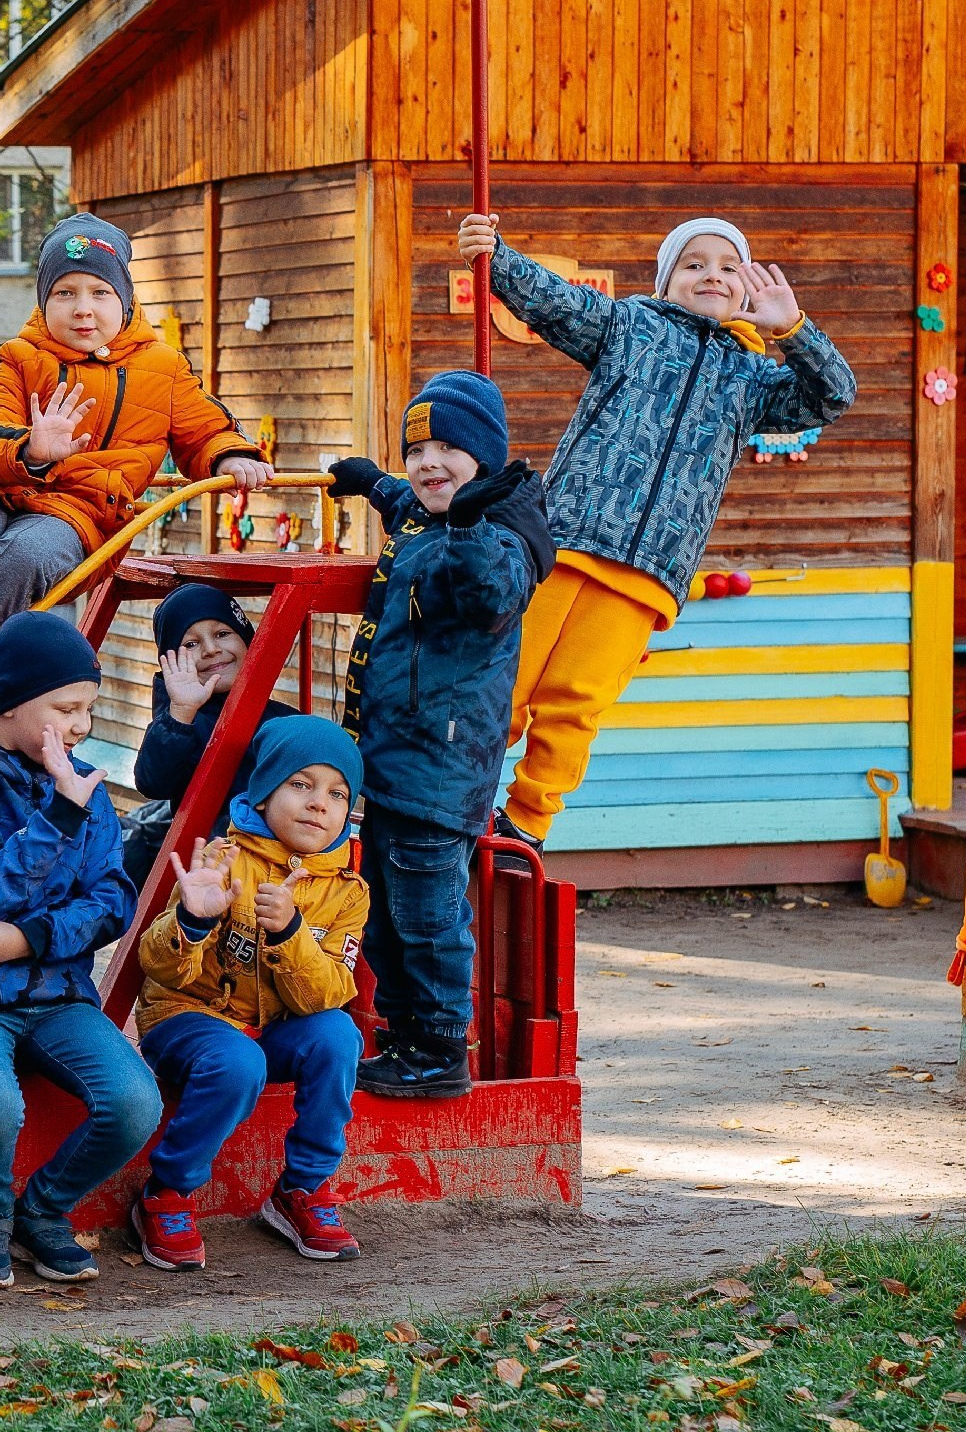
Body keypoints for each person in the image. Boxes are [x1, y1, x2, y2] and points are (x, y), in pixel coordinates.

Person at [458, 213, 856, 847]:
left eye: (730, 268)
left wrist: (796, 331)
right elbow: (549, 299)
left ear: (750, 291)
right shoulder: (628, 326)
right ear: (667, 278)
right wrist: (495, 254)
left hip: (647, 574)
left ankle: (526, 824)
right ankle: (454, 796)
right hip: (563, 546)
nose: (712, 276)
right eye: (694, 263)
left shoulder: (752, 380)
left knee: (576, 704)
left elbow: (832, 396)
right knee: (500, 682)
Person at [0, 214, 273, 690]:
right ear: (44, 303)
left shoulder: (162, 367)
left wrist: (230, 455)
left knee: (24, 555)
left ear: (124, 300)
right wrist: (32, 448)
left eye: (99, 293)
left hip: (78, 512)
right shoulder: (20, 356)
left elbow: (205, 426)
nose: (83, 309)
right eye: (65, 293)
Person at [0, 612, 163, 1289]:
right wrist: (58, 818)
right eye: (66, 708)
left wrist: (32, 938)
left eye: (89, 708)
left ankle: (42, 1211)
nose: (80, 725)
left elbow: (111, 899)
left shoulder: (82, 781)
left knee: (135, 1101)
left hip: (54, 990)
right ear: (13, 703)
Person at [327, 372, 554, 1099]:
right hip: (391, 762)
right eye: (416, 448)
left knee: (428, 919)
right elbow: (409, 503)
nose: (429, 463)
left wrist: (467, 524)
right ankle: (403, 1038)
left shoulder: (497, 536)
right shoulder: (428, 514)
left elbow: (490, 596)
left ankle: (440, 1048)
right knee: (388, 917)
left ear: (484, 457)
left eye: (449, 448)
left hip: (442, 764)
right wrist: (372, 481)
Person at [130, 715, 371, 1269]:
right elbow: (160, 967)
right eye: (301, 783)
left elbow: (330, 991)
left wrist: (290, 934)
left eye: (337, 793)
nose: (318, 803)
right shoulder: (223, 860)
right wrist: (191, 920)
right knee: (238, 1062)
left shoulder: (347, 891)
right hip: (190, 1017)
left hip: (276, 1027)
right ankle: (167, 1192)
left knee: (338, 1034)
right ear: (262, 793)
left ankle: (302, 1188)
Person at [123, 583, 296, 882]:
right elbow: (153, 782)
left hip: (280, 867)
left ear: (247, 640)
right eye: (190, 644)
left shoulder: (284, 719)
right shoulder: (184, 720)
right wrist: (180, 712)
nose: (211, 649)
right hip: (210, 872)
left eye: (222, 634)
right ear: (172, 662)